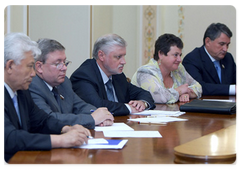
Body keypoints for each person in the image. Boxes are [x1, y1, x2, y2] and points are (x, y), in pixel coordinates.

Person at [2, 33, 91, 164]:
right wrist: (62, 140)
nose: (33, 73)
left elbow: (42, 120)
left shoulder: (21, 91)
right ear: (10, 66)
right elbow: (9, 138)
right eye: (29, 66)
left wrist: (67, 128)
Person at [29, 38, 114, 130]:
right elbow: (49, 119)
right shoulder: (32, 86)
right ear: (39, 67)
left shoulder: (64, 82)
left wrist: (101, 115)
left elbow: (81, 106)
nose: (64, 68)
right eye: (58, 64)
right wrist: (92, 118)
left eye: (65, 62)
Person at [70, 34, 155, 116]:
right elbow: (97, 106)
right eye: (118, 57)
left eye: (124, 56)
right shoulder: (84, 75)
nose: (123, 62)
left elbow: (142, 93)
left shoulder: (117, 75)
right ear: (101, 55)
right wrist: (128, 108)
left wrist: (142, 103)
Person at [131, 33, 202, 104]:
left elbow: (198, 86)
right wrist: (179, 91)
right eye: (175, 55)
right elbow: (159, 97)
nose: (179, 59)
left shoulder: (178, 68)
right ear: (161, 54)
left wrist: (187, 94)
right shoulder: (145, 72)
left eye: (180, 55)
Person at [182, 23, 237, 96]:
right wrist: (232, 89)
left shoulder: (228, 58)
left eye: (227, 45)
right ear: (207, 41)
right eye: (221, 44)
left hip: (229, 105)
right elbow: (199, 87)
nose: (225, 49)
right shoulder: (192, 59)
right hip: (205, 105)